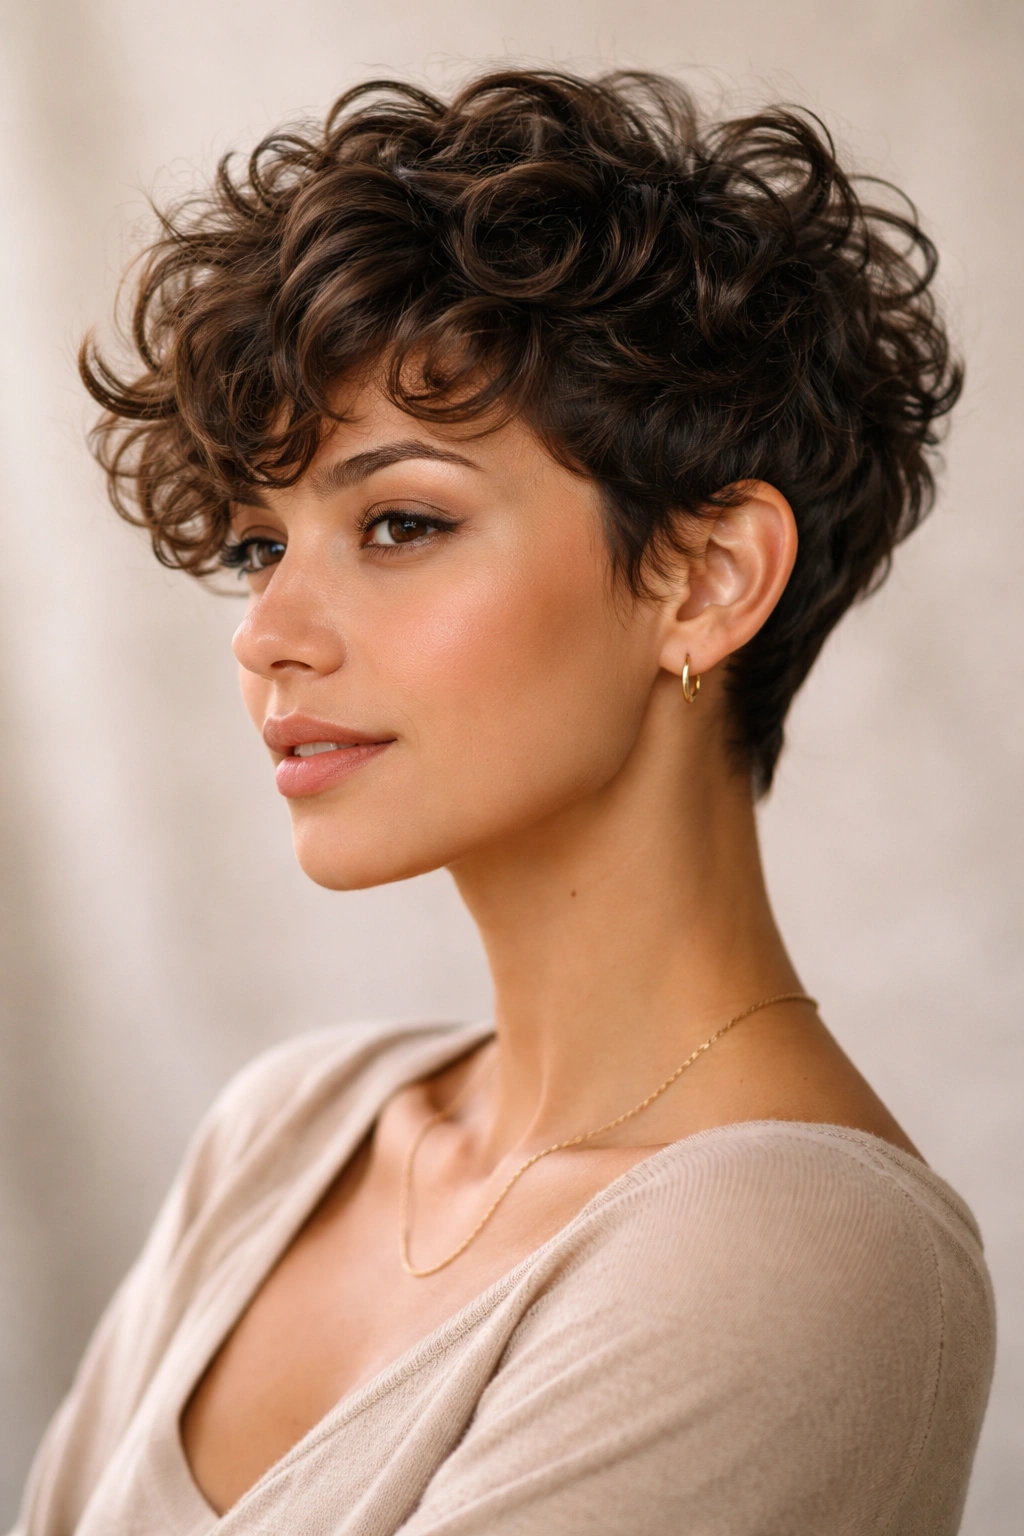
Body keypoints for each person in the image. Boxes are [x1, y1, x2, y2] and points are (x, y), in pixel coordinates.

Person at [12, 69, 994, 1536]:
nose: (266, 629)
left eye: (400, 522)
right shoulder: (292, 1131)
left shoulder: (807, 1250)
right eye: (256, 545)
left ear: (706, 579)